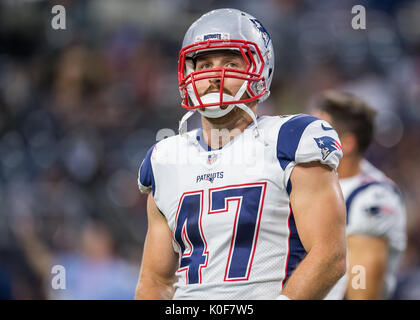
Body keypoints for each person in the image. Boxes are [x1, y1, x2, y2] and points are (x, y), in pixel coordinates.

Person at [135, 8, 346, 300]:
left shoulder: (291, 139)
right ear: (187, 73)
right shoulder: (165, 159)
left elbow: (330, 255)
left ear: (261, 70)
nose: (214, 76)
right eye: (204, 64)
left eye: (231, 63)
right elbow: (155, 281)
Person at [310, 90, 407, 300]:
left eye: (317, 132)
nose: (305, 139)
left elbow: (361, 290)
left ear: (347, 143)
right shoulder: (305, 180)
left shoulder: (373, 198)